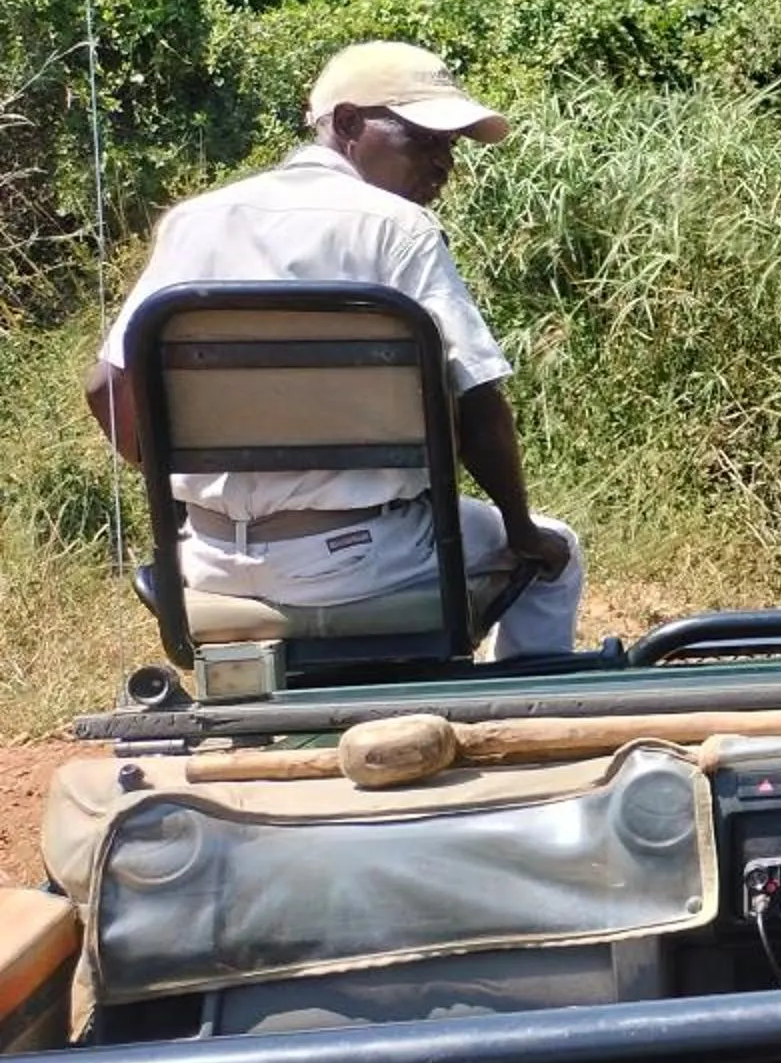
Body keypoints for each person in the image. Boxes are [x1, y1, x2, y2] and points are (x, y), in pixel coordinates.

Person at [85, 41, 584, 660]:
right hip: (359, 561)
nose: (442, 161)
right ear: (347, 123)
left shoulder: (196, 220)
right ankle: (523, 711)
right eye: (424, 137)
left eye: (448, 146)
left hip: (207, 561)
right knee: (556, 549)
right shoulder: (398, 229)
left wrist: (187, 488)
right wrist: (520, 528)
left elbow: (105, 387)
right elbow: (479, 409)